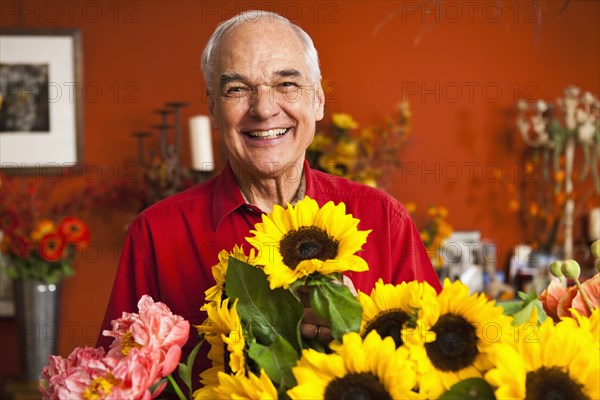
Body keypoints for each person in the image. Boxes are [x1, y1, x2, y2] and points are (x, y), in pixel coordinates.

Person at [98, 9, 441, 385]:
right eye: (237, 89)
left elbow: (433, 370)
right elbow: (117, 384)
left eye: (287, 84)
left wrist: (351, 321)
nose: (263, 109)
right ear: (212, 106)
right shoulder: (155, 234)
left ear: (319, 100)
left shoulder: (383, 219)